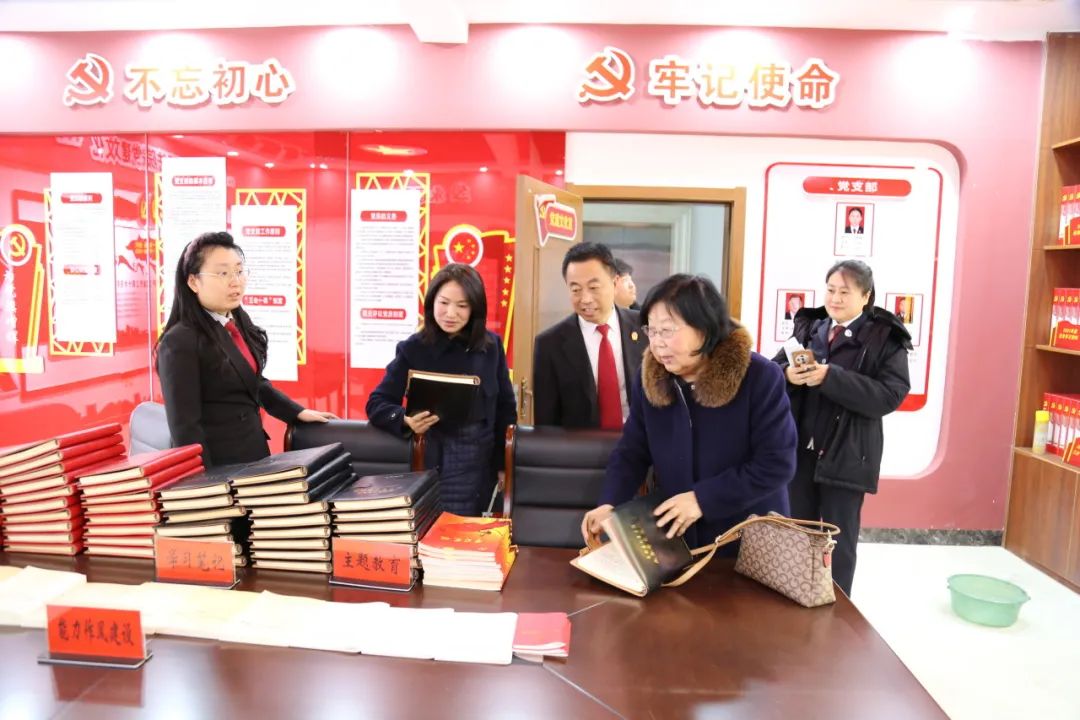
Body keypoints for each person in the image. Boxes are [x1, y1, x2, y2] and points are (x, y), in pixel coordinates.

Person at [582, 274, 797, 552]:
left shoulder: (759, 377)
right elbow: (632, 451)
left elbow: (777, 464)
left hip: (749, 541)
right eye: (652, 331)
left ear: (704, 328)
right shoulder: (651, 380)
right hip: (679, 542)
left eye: (667, 330)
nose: (657, 343)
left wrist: (701, 499)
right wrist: (610, 503)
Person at [773, 260, 911, 596]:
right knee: (798, 533)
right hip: (801, 454)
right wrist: (788, 375)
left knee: (839, 542)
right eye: (831, 290)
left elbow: (889, 395)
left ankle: (837, 607)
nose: (834, 298)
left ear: (865, 296)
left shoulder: (884, 337)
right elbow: (772, 370)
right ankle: (797, 598)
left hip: (847, 456)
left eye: (844, 292)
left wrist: (830, 377)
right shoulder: (810, 327)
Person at [155, 231, 335, 467]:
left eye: (239, 271)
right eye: (223, 273)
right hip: (220, 468)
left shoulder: (237, 321)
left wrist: (296, 412)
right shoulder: (179, 341)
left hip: (253, 453)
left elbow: (252, 381)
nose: (235, 281)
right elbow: (185, 428)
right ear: (193, 282)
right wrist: (205, 482)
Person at [366, 263, 516, 516]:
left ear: (475, 309)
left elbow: (505, 409)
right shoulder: (413, 348)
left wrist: (504, 466)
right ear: (431, 302)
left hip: (483, 464)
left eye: (462, 306)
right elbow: (377, 402)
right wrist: (405, 420)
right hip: (434, 463)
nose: (450, 313)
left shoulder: (491, 347)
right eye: (444, 303)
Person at [533, 243, 647, 429]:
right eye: (576, 290)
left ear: (614, 283)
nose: (585, 299)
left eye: (594, 287)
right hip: (581, 445)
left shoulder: (645, 329)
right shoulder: (549, 344)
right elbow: (547, 423)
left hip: (639, 441)